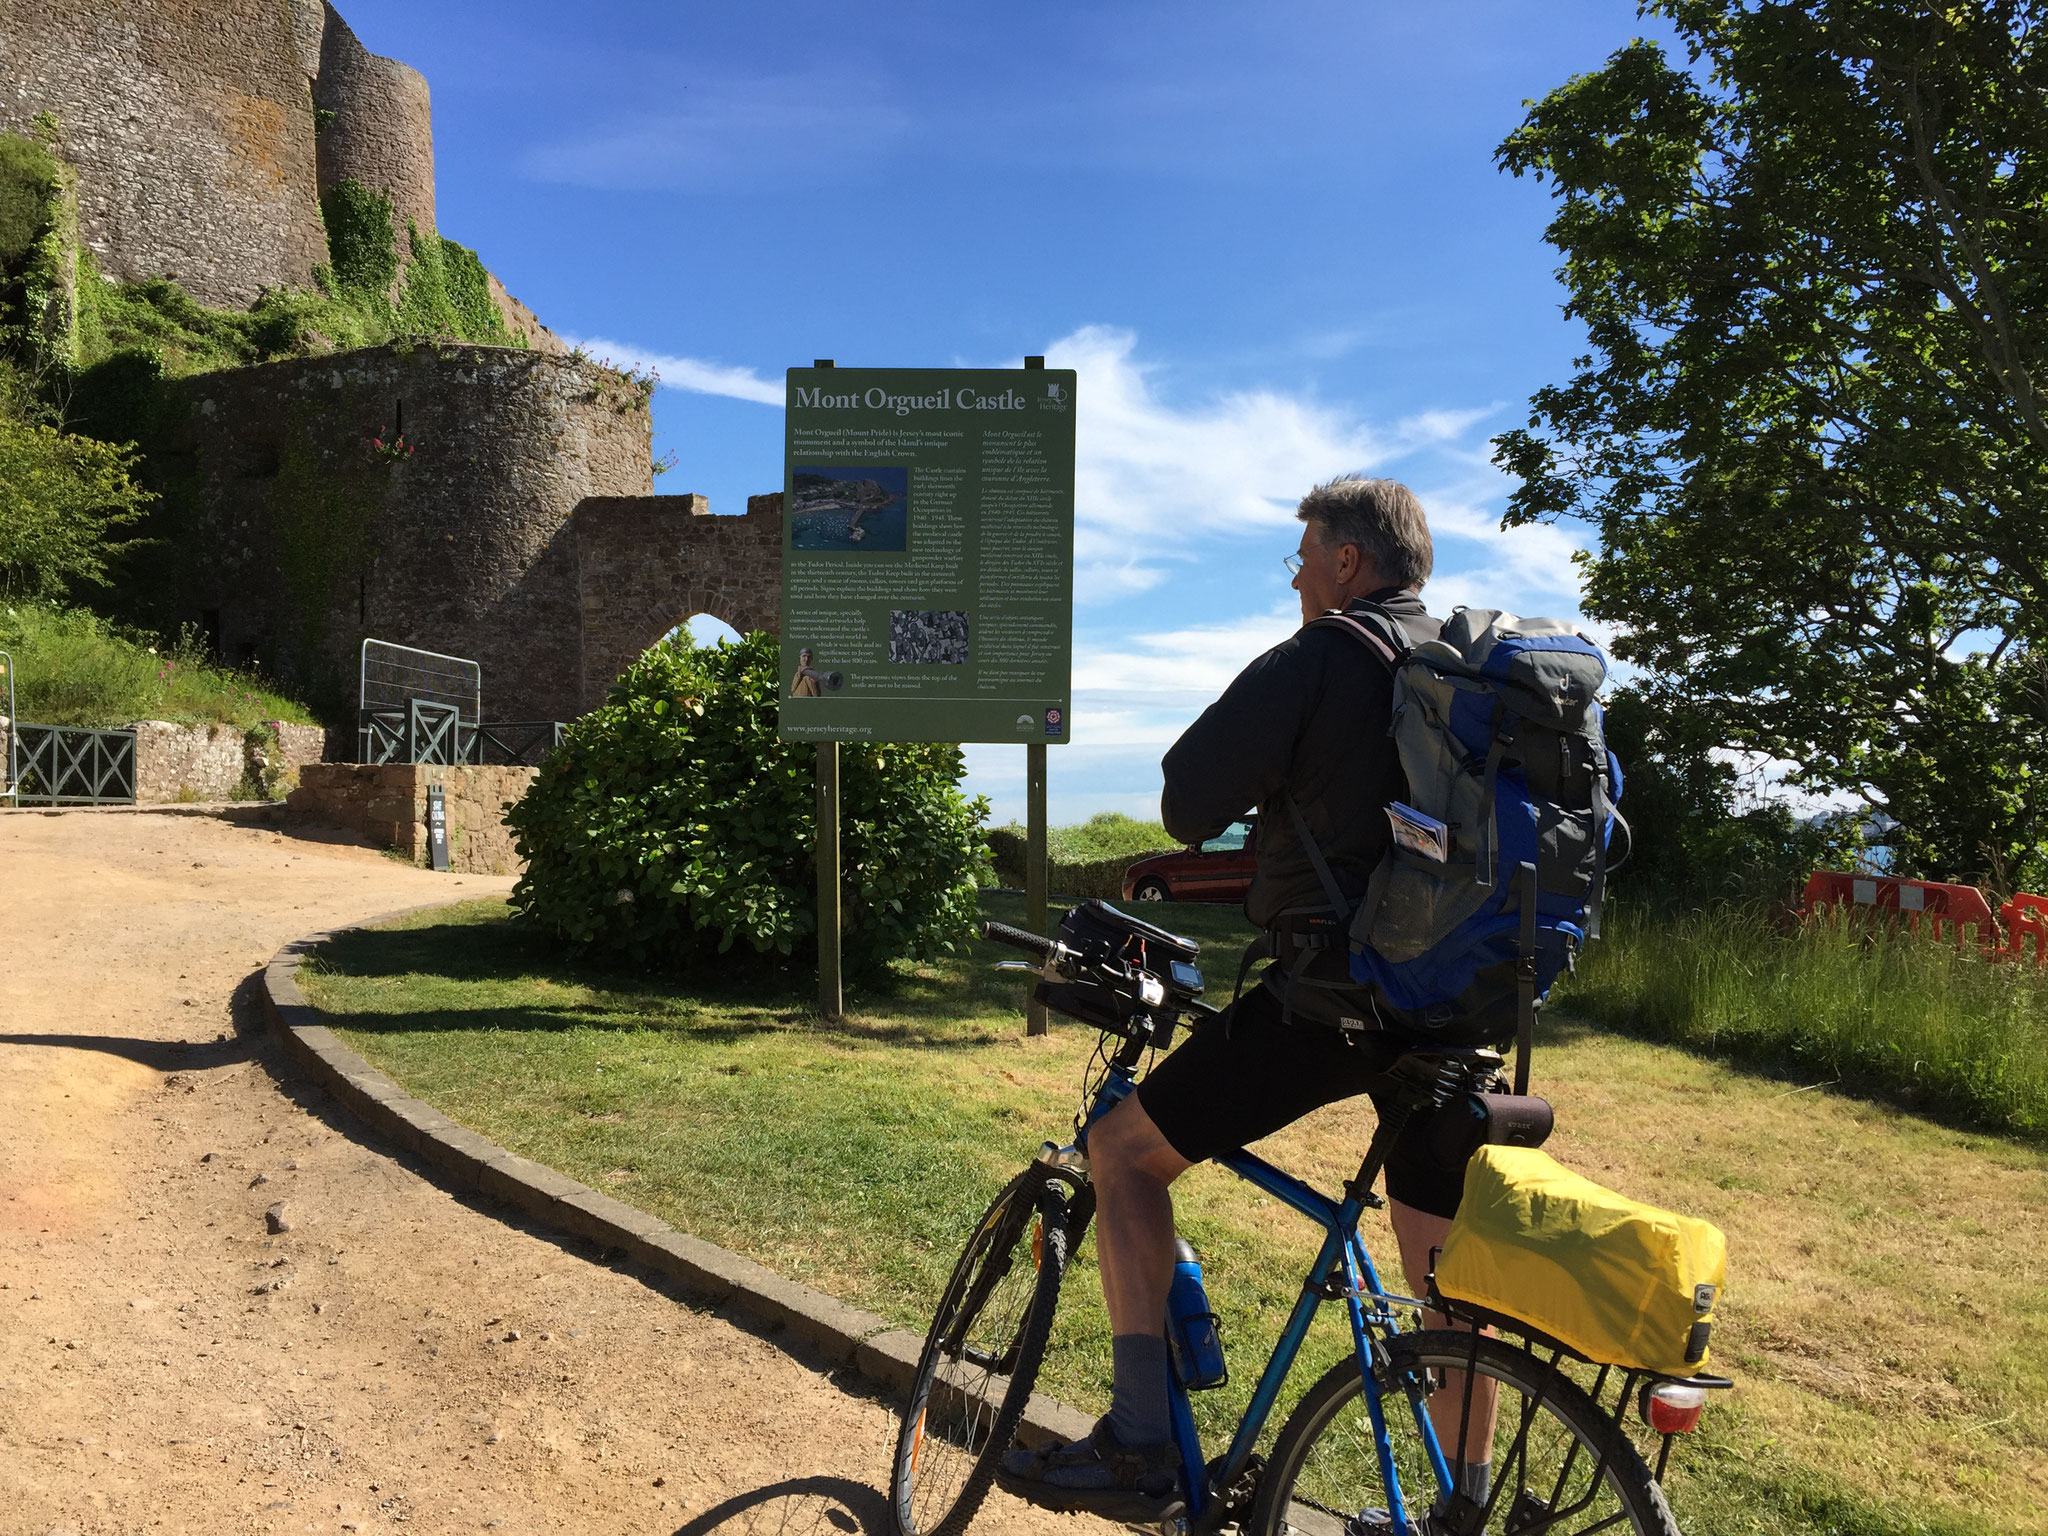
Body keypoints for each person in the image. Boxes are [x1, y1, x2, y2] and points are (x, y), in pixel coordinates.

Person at [1000, 476, 1499, 1521]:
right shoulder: (1477, 669)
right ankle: (1465, 1509)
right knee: (1440, 1277)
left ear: (1347, 564)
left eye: (1303, 557)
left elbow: (1189, 799)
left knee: (1124, 1153)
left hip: (1339, 1005)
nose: (1296, 577)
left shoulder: (1324, 656)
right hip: (1474, 1005)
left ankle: (1139, 1443)